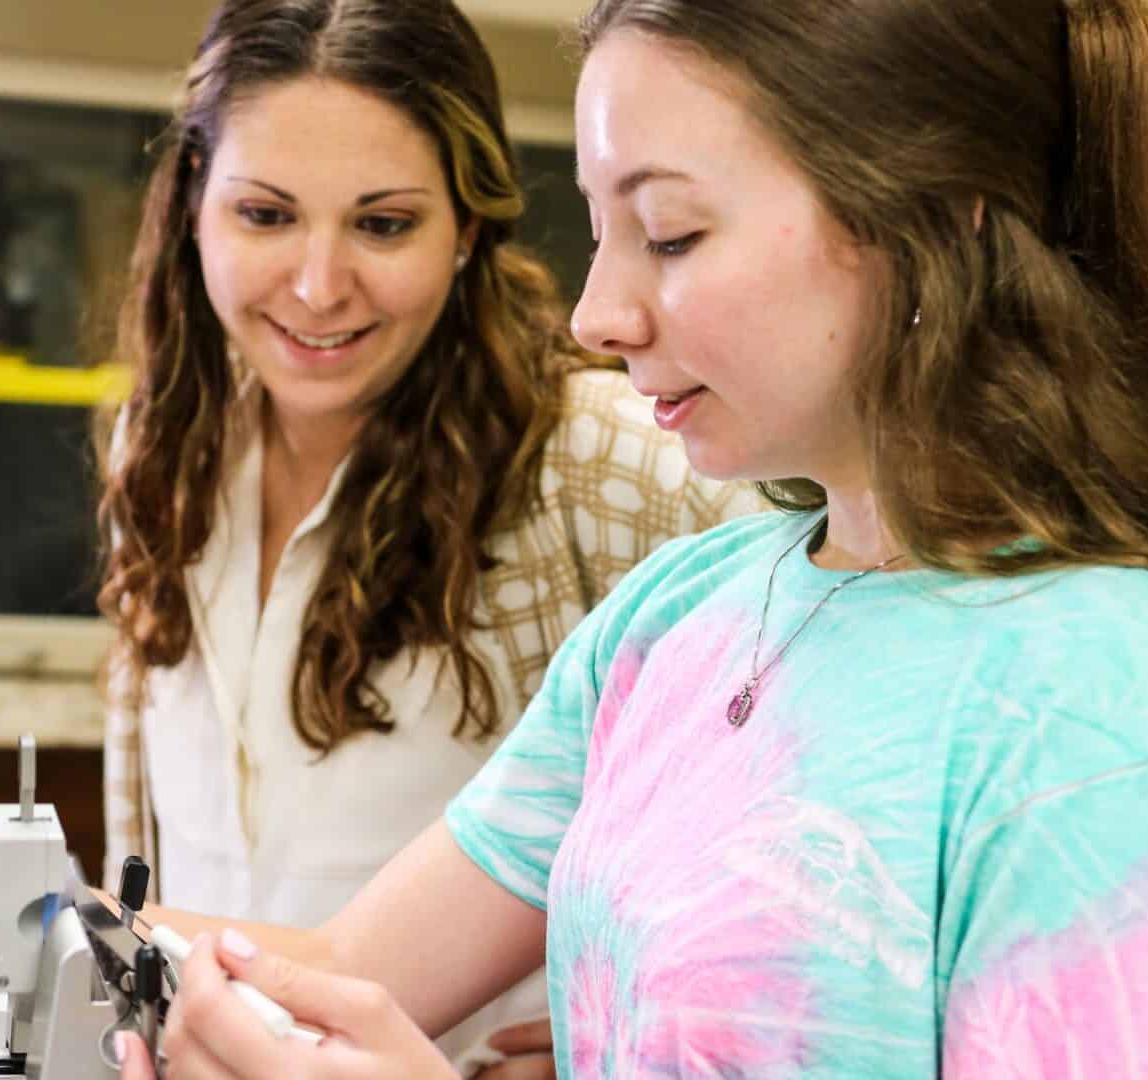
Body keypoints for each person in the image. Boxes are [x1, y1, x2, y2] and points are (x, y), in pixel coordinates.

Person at [114, 0, 1148, 1076]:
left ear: (938, 215)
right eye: (601, 232)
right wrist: (29, 922)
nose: (599, 314)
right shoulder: (675, 617)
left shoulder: (1113, 720)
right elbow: (337, 975)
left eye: (674, 234)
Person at [91, 0, 762, 1070]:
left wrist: (627, 1027)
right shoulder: (160, 447)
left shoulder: (601, 455)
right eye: (265, 215)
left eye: (383, 223)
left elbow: (834, 725)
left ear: (468, 231)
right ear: (191, 210)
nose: (318, 285)